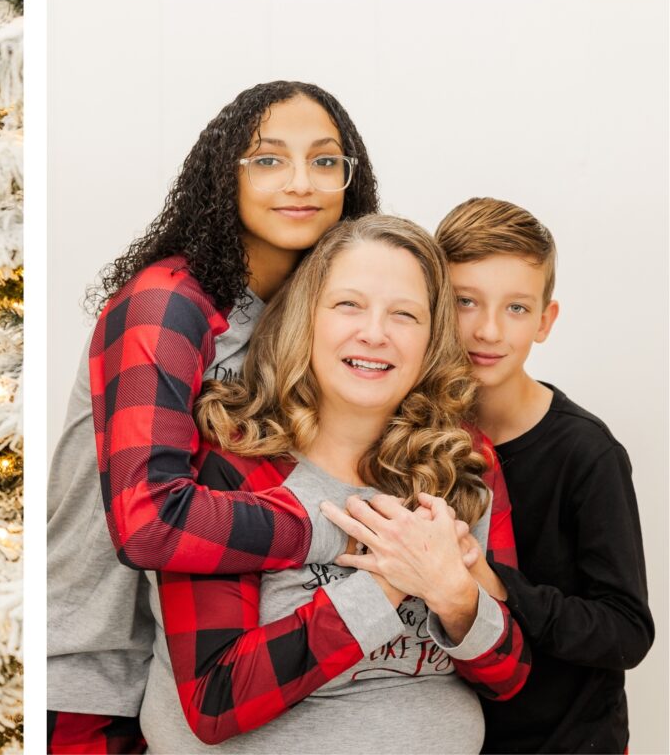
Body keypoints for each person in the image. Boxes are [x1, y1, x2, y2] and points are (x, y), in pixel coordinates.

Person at [49, 83, 376, 752]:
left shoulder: (309, 319)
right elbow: (148, 520)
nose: (300, 183)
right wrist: (341, 537)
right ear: (223, 175)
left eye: (324, 161)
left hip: (194, 677)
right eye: (267, 159)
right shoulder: (168, 305)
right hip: (89, 679)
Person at [141, 212, 530, 747]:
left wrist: (454, 593)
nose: (374, 334)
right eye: (349, 304)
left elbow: (508, 674)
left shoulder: (462, 461)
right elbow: (215, 701)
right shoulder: (234, 463)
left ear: (431, 339)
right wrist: (390, 580)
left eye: (405, 315)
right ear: (308, 318)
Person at [438, 197, 653, 753]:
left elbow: (627, 631)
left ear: (544, 321)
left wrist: (499, 590)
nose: (488, 330)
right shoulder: (416, 436)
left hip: (570, 741)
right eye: (466, 301)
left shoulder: (588, 453)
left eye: (514, 308)